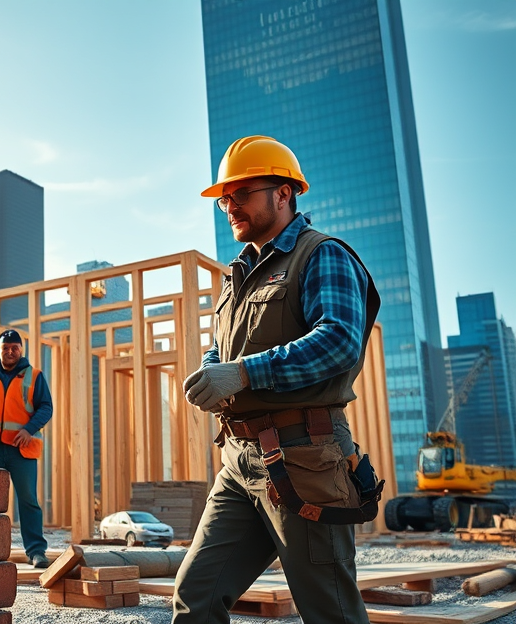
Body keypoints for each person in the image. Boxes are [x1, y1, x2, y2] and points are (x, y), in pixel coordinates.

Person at [172, 136, 384, 623]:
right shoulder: (236, 275)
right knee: (195, 596)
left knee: (328, 610)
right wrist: (213, 368)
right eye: (225, 198)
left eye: (241, 193)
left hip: (304, 457)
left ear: (284, 193)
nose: (229, 206)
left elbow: (338, 341)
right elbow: (223, 347)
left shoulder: (322, 254)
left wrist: (243, 373)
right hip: (239, 461)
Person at [0, 329, 54, 569]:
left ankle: (36, 552)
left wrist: (28, 429)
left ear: (21, 350)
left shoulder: (34, 376)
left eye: (15, 347)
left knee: (28, 500)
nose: (10, 351)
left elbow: (46, 407)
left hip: (22, 449)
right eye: (5, 348)